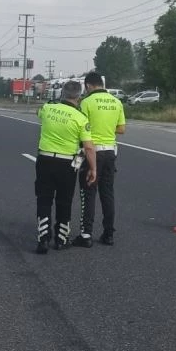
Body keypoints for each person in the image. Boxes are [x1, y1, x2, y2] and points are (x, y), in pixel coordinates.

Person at [34, 80, 97, 254]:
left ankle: (43, 239)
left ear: (62, 92)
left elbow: (37, 111)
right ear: (80, 95)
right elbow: (89, 147)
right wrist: (93, 169)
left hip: (45, 159)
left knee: (44, 199)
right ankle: (61, 239)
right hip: (67, 164)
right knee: (64, 201)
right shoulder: (80, 118)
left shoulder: (48, 108)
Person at [74, 72, 126, 247]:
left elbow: (80, 127)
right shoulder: (116, 102)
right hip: (110, 151)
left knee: (88, 193)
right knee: (107, 193)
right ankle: (109, 233)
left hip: (90, 151)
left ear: (88, 85)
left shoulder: (86, 102)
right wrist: (107, 128)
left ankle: (86, 234)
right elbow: (121, 129)